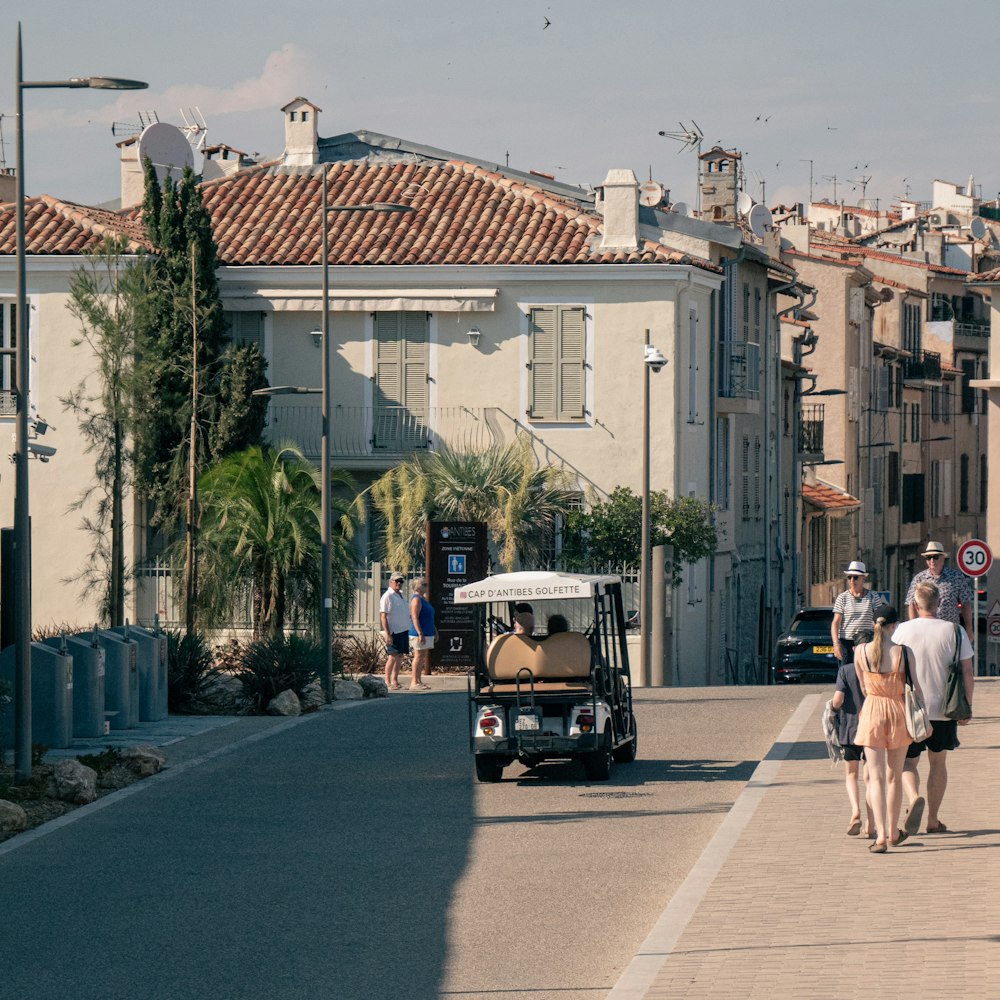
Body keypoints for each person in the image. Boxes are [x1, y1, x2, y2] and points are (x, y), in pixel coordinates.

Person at [893, 581, 974, 835]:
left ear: (916, 605)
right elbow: (967, 671)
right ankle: (933, 819)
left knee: (907, 762)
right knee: (938, 762)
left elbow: (892, 669)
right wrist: (967, 707)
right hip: (945, 708)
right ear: (939, 604)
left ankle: (913, 796)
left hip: (910, 708)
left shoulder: (901, 631)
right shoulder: (955, 631)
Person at [853, 606, 913, 854]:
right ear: (893, 625)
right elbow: (915, 687)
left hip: (872, 711)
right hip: (897, 711)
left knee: (874, 777)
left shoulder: (860, 652)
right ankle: (893, 831)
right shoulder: (903, 653)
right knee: (894, 776)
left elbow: (863, 688)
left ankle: (879, 835)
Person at [831, 658, 874, 838]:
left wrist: (833, 708)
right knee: (870, 778)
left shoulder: (846, 670)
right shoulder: (877, 667)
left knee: (851, 774)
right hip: (872, 728)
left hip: (850, 729)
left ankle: (855, 812)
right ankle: (871, 824)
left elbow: (838, 700)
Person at [904, 541, 973, 642]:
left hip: (950, 633)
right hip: (926, 633)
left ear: (943, 558)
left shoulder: (956, 577)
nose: (932, 560)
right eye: (928, 557)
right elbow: (911, 604)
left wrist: (969, 629)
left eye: (935, 557)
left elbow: (966, 604)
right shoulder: (919, 578)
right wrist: (914, 628)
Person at [831, 561, 886, 668]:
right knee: (847, 673)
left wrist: (879, 640)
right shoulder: (842, 598)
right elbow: (835, 623)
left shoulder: (873, 596)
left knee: (866, 672)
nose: (852, 580)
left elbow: (878, 620)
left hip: (866, 642)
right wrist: (836, 644)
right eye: (849, 577)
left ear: (863, 578)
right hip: (846, 642)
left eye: (855, 577)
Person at [379, 572, 409, 691]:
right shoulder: (387, 596)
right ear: (391, 582)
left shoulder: (401, 595)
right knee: (392, 656)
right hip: (393, 631)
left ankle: (395, 680)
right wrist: (388, 633)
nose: (399, 584)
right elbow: (383, 616)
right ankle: (387, 681)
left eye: (401, 581)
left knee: (400, 656)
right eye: (397, 581)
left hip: (403, 630)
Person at [408, 577, 436, 690]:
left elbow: (428, 616)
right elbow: (414, 617)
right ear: (418, 586)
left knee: (422, 656)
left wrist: (434, 629)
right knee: (418, 656)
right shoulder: (416, 600)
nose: (426, 586)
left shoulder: (423, 599)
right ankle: (414, 682)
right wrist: (420, 633)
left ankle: (419, 680)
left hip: (428, 631)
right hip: (419, 633)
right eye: (424, 584)